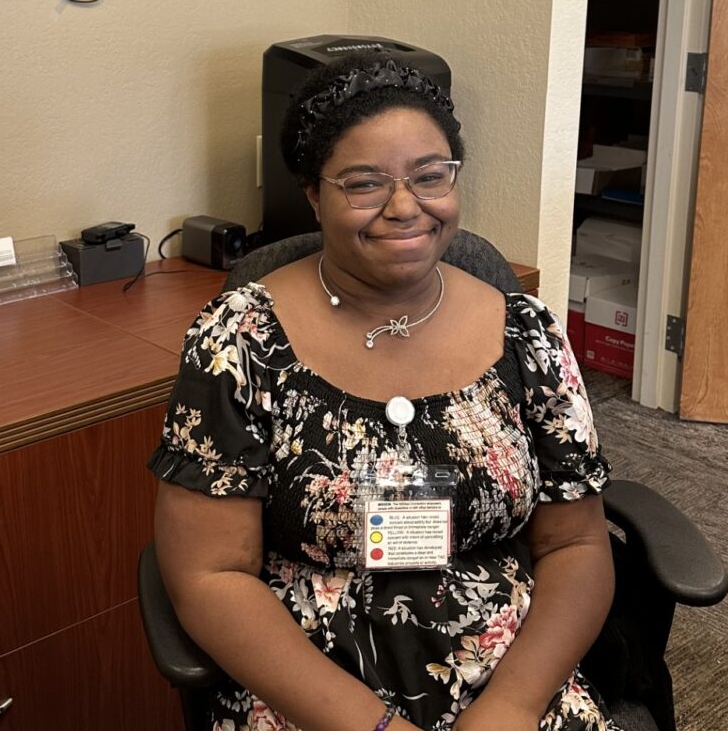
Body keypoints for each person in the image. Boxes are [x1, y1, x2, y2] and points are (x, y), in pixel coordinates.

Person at [150, 53, 619, 731]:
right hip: (308, 683)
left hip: (508, 675)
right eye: (364, 184)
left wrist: (514, 706)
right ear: (313, 195)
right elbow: (210, 576)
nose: (405, 207)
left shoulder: (528, 333)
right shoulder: (241, 339)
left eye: (430, 177)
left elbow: (576, 545)